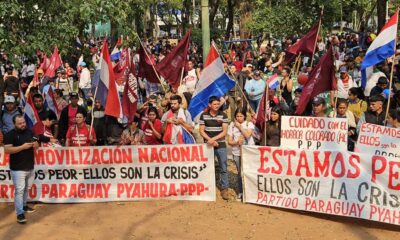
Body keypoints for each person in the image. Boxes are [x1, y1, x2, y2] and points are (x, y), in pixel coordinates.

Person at [4, 115, 39, 223]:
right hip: (17, 168)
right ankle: (19, 213)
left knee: (26, 189)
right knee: (19, 191)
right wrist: (22, 147)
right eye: (19, 123)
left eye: (23, 122)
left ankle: (24, 206)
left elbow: (37, 146)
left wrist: (35, 144)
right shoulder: (10, 134)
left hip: (30, 166)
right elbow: (7, 150)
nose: (22, 124)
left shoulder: (29, 131)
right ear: (14, 124)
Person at [199, 96, 230, 200]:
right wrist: (210, 140)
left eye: (218, 104)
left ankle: (224, 188)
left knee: (223, 167)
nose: (217, 106)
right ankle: (208, 187)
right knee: (207, 166)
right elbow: (201, 130)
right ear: (210, 105)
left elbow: (224, 131)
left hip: (220, 144)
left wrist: (214, 140)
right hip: (208, 145)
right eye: (215, 104)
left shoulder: (223, 115)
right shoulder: (203, 116)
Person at [227, 108, 254, 200]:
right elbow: (229, 141)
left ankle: (250, 192)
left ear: (244, 116)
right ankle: (241, 192)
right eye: (237, 116)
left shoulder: (248, 124)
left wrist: (240, 127)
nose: (239, 118)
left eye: (241, 116)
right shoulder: (232, 125)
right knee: (239, 173)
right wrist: (236, 142)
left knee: (248, 171)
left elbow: (247, 135)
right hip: (237, 152)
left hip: (248, 152)